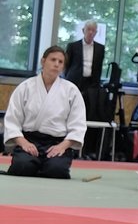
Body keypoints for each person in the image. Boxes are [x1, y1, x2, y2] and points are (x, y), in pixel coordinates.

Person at [4, 46, 86, 179]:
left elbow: (78, 125)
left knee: (56, 170)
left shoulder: (71, 91)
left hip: (57, 142)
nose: (56, 64)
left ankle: (44, 166)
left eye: (60, 62)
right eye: (53, 59)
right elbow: (12, 120)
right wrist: (23, 142)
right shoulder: (25, 87)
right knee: (22, 166)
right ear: (43, 61)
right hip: (30, 140)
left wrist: (62, 146)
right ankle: (34, 165)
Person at [63, 20, 106, 157]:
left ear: (96, 32)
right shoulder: (73, 46)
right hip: (75, 81)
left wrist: (96, 84)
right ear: (83, 31)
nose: (91, 32)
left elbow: (98, 68)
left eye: (94, 30)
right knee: (71, 113)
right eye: (89, 30)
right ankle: (68, 147)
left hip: (91, 84)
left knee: (88, 115)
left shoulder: (100, 48)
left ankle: (85, 149)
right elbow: (67, 65)